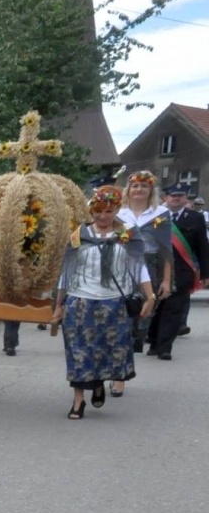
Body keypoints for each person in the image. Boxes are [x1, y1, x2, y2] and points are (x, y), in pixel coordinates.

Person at [50, 186, 153, 419]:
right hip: (81, 301)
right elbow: (66, 272)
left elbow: (139, 268)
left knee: (107, 351)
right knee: (78, 351)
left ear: (117, 209)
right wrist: (59, 304)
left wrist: (150, 295)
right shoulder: (78, 235)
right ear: (91, 211)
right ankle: (78, 401)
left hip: (114, 304)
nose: (102, 216)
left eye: (108, 211)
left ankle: (98, 383)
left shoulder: (128, 235)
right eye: (97, 211)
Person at [115, 171, 171, 393]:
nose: (139, 190)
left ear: (151, 190)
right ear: (128, 190)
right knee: (119, 324)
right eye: (135, 186)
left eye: (143, 186)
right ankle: (118, 376)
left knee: (138, 326)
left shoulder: (161, 213)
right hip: (121, 271)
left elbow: (167, 250)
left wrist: (167, 280)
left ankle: (123, 369)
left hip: (151, 271)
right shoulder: (119, 213)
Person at [150, 183, 209, 358]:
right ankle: (153, 341)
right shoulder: (156, 216)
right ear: (165, 198)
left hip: (182, 270)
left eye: (180, 196)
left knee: (174, 309)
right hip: (157, 269)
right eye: (172, 195)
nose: (176, 198)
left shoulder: (195, 218)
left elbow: (202, 247)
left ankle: (165, 347)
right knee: (156, 307)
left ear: (185, 199)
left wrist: (206, 273)